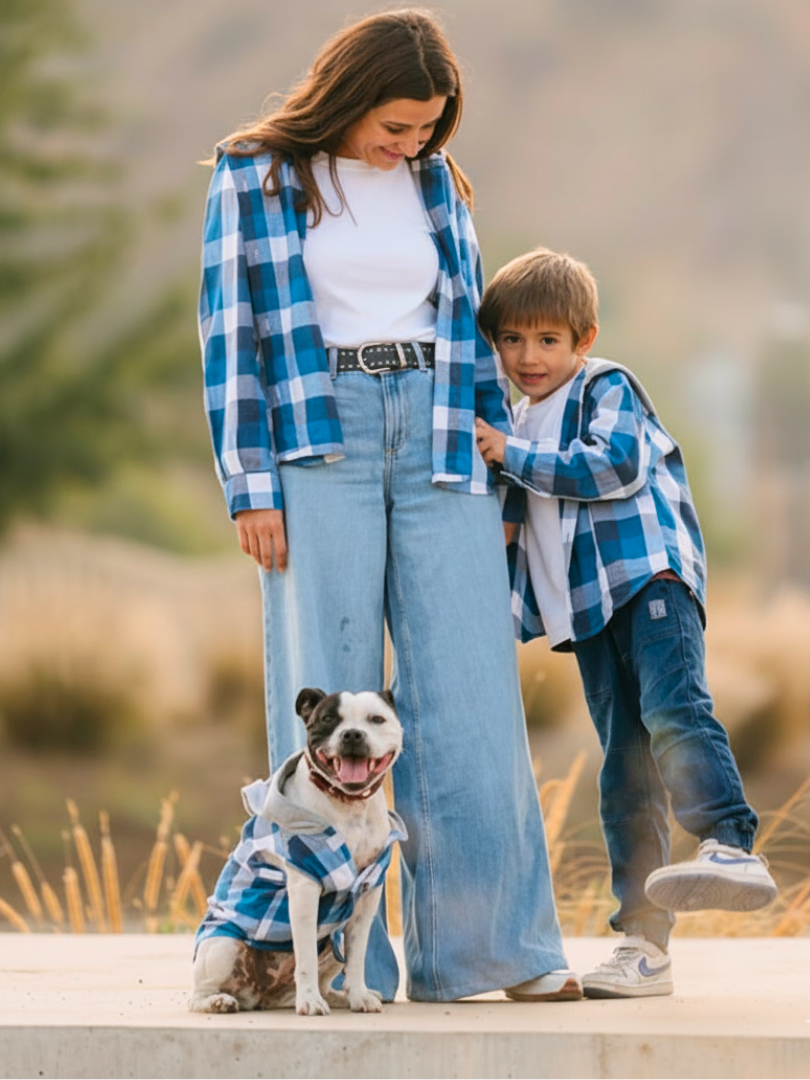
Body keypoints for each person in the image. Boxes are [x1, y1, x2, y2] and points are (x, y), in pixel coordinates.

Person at [198, 10, 578, 1004]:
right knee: (330, 692)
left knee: (471, 697)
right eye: (396, 125)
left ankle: (494, 954)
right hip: (318, 434)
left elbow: (469, 325)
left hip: (442, 431)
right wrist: (249, 485)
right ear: (349, 94)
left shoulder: (435, 183)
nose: (409, 144)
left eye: (427, 128)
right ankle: (336, 964)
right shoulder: (253, 175)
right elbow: (231, 337)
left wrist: (498, 477)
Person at [475, 247, 777, 999]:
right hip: (588, 612)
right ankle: (644, 945)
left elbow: (614, 467)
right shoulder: (513, 422)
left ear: (584, 338)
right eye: (512, 339)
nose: (529, 356)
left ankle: (730, 842)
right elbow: (513, 535)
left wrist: (510, 454)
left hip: (647, 582)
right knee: (625, 769)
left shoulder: (604, 386)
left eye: (548, 339)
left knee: (674, 709)